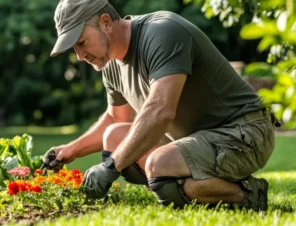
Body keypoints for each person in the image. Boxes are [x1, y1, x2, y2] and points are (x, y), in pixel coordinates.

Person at [42, 0, 280, 210]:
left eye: (82, 42)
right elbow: (116, 119)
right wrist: (70, 150)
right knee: (115, 137)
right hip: (195, 139)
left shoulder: (162, 32)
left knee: (160, 164)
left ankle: (248, 194)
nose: (80, 56)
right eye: (74, 49)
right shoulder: (111, 63)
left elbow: (161, 110)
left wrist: (110, 167)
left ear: (105, 22)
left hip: (245, 132)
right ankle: (185, 183)